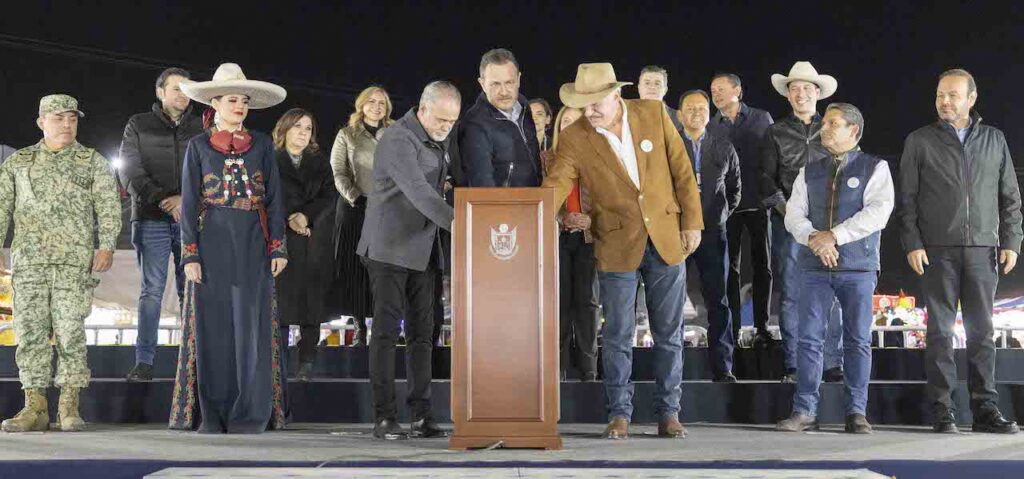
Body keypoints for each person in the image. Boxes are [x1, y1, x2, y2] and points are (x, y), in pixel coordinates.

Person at [544, 63, 703, 440]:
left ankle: (669, 413)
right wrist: (530, 218)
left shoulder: (652, 113)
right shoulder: (576, 138)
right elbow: (556, 183)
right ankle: (619, 414)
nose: (590, 110)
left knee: (669, 334)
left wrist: (692, 221)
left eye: (597, 101)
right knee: (616, 334)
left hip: (666, 236)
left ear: (617, 95)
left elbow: (682, 168)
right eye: (583, 104)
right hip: (615, 243)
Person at [899, 69, 1021, 434]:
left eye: (953, 95)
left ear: (972, 98)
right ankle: (942, 409)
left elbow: (1010, 198)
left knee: (982, 332)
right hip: (937, 250)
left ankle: (985, 409)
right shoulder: (919, 141)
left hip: (984, 250)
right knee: (939, 331)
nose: (945, 102)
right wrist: (912, 242)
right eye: (940, 95)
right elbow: (907, 200)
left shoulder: (995, 139)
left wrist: (1012, 241)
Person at [169, 63, 289, 433]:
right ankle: (214, 411)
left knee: (252, 327)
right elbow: (189, 203)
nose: (239, 106)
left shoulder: (264, 145)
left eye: (244, 100)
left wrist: (278, 248)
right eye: (232, 99)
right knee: (214, 326)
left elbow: (275, 199)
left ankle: (251, 411)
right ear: (215, 103)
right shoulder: (199, 146)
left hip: (253, 238)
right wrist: (190, 253)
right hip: (213, 239)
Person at [0, 94, 121, 432]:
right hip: (30, 261)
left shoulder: (91, 161)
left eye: (72, 118)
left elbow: (108, 206)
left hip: (73, 262)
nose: (67, 124)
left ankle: (69, 405)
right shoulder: (19, 162)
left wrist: (107, 245)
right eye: (58, 118)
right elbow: (2, 206)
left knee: (70, 332)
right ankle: (34, 406)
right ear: (42, 122)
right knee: (31, 333)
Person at [777, 103, 894, 434]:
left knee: (857, 340)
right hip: (814, 268)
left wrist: (835, 237)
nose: (823, 128)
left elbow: (878, 213)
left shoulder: (876, 168)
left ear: (853, 130)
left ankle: (856, 411)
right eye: (825, 123)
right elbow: (793, 215)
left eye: (832, 123)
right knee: (809, 339)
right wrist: (815, 238)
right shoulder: (808, 171)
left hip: (857, 268)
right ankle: (804, 410)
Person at [358, 81, 459, 440]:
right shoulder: (398, 139)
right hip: (388, 249)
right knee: (386, 334)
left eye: (452, 122)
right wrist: (463, 224)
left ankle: (422, 415)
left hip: (424, 249)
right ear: (423, 108)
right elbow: (419, 192)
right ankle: (384, 417)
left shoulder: (437, 136)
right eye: (442, 120)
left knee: (423, 336)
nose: (446, 127)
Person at [760, 62, 844, 384]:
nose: (801, 93)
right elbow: (767, 181)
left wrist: (832, 223)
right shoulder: (775, 132)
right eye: (795, 88)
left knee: (831, 291)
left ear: (818, 93)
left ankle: (833, 363)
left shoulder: (834, 128)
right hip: (789, 227)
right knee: (792, 295)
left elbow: (847, 171)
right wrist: (792, 217)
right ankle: (794, 364)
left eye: (807, 88)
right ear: (788, 94)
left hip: (829, 228)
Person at [119, 67, 204, 382]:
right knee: (151, 291)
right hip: (151, 217)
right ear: (160, 92)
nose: (182, 95)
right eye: (176, 89)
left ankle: (191, 361)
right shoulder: (138, 124)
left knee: (191, 291)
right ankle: (145, 362)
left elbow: (207, 170)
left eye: (187, 89)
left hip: (191, 219)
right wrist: (165, 198)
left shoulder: (202, 127)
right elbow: (129, 170)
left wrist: (186, 200)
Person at [706, 73, 774, 350]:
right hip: (727, 209)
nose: (717, 95)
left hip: (759, 203)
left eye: (722, 89)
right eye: (713, 91)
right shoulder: (711, 126)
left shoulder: (761, 118)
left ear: (738, 90)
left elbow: (773, 158)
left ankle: (762, 327)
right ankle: (732, 326)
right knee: (729, 269)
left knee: (763, 267)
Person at [678, 89, 741, 382]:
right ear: (679, 115)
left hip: (713, 231)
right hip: (676, 232)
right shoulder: (671, 145)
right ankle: (672, 366)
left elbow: (734, 189)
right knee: (671, 300)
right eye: (690, 109)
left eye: (702, 109)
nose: (696, 113)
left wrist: (720, 215)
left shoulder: (723, 146)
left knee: (719, 300)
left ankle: (723, 366)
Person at [272, 108, 337, 382]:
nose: (302, 132)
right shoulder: (271, 159)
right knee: (282, 300)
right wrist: (289, 217)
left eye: (308, 128)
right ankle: (278, 363)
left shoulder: (320, 162)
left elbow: (330, 195)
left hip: (314, 236)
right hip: (282, 236)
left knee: (312, 299)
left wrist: (305, 216)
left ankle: (307, 360)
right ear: (285, 128)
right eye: (297, 126)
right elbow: (267, 194)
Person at [330, 86, 394, 346]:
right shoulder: (347, 134)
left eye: (382, 102)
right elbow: (338, 170)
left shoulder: (396, 134)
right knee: (355, 268)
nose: (377, 106)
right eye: (372, 102)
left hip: (387, 209)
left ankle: (381, 326)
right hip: (354, 207)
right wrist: (355, 196)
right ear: (361, 105)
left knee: (383, 270)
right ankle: (358, 326)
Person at [544, 105, 600, 382]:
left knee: (587, 303)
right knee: (560, 302)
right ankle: (560, 368)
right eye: (564, 121)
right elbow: (542, 197)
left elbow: (607, 198)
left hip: (590, 237)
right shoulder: (546, 158)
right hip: (559, 237)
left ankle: (589, 369)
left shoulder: (600, 158)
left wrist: (590, 219)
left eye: (575, 122)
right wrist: (563, 216)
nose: (569, 126)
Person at [459, 48, 542, 187]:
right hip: (505, 207)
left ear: (519, 79)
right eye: (495, 84)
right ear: (482, 84)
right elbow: (482, 187)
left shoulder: (524, 107)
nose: (504, 91)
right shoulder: (474, 125)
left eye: (509, 82)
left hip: (535, 203)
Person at [638, 65, 684, 132]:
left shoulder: (679, 120)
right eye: (647, 83)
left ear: (665, 90)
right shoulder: (626, 116)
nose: (652, 87)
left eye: (657, 84)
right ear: (639, 88)